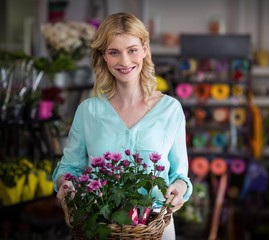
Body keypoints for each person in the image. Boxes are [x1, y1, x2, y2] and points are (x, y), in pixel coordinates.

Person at [52, 12, 193, 239]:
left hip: (155, 228)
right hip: (100, 226)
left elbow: (180, 176)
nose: (125, 61)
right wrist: (66, 185)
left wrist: (179, 190)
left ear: (145, 49)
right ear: (103, 56)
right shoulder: (88, 111)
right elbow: (69, 169)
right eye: (114, 52)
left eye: (132, 50)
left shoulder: (170, 109)